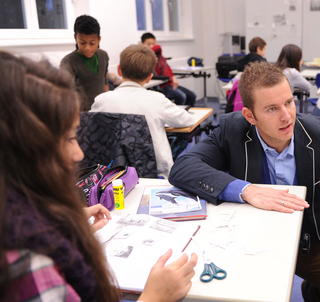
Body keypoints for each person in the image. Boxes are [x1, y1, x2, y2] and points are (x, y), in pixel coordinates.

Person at [168, 61, 320, 301]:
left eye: (288, 103)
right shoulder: (231, 130)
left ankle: (315, 290)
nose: (286, 116)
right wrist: (245, 190)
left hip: (311, 244)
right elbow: (183, 167)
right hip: (249, 240)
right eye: (271, 109)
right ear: (250, 115)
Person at [0, 50, 198, 301]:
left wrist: (64, 221)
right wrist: (153, 297)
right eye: (70, 137)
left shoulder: (102, 99)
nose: (79, 154)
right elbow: (187, 120)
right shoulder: (29, 265)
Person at [91, 44, 194, 178]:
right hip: (156, 172)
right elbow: (187, 120)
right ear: (150, 77)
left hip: (113, 173)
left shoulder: (101, 100)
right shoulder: (157, 99)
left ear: (119, 70)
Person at [60, 15, 109, 111]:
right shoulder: (68, 62)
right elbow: (65, 94)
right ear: (75, 38)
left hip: (102, 110)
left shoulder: (103, 56)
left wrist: (107, 104)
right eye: (82, 43)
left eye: (92, 43)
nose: (87, 48)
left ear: (99, 39)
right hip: (82, 114)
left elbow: (104, 83)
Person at [141, 32, 197, 107]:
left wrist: (173, 77)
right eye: (148, 44)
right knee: (181, 96)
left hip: (170, 83)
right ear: (142, 44)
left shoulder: (159, 56)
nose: (152, 46)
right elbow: (158, 47)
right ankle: (175, 116)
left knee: (192, 95)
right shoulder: (145, 57)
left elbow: (167, 68)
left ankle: (187, 116)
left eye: (153, 44)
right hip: (162, 86)